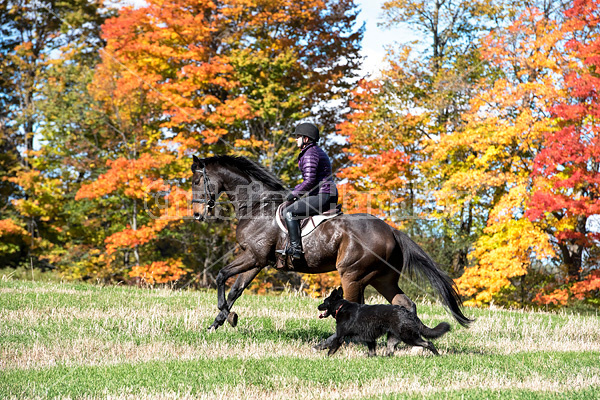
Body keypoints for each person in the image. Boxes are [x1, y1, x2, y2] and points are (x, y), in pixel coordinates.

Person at [277, 122, 338, 259]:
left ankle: (295, 248)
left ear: (306, 139)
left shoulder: (310, 153)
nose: (295, 139)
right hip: (324, 193)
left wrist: (294, 193)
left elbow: (310, 181)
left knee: (289, 212)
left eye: (298, 137)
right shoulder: (311, 151)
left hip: (324, 194)